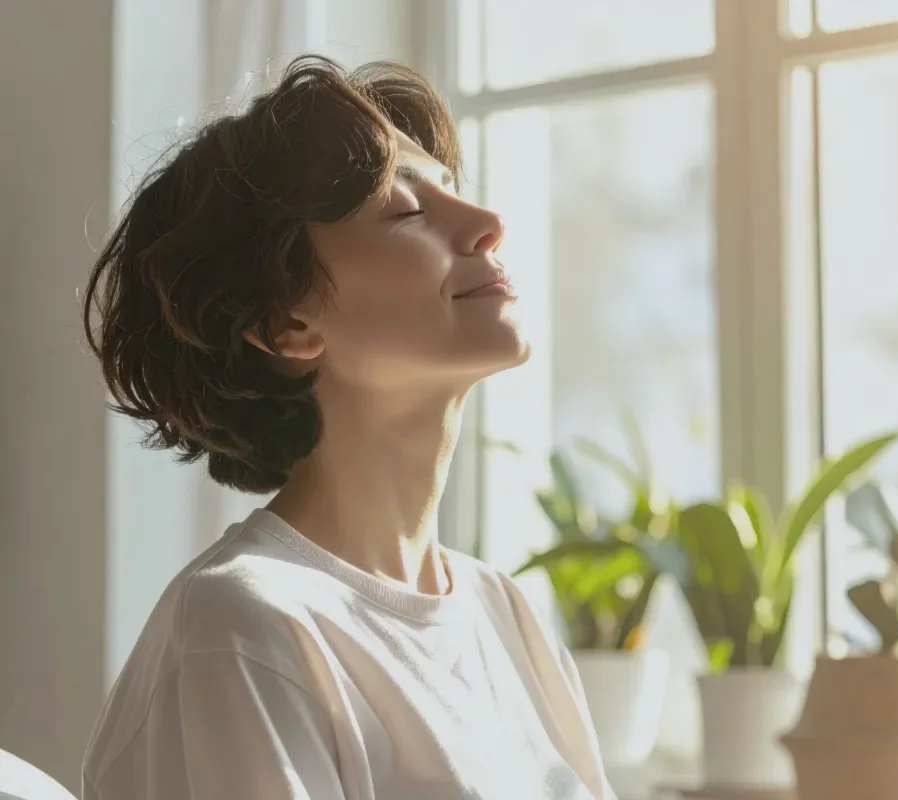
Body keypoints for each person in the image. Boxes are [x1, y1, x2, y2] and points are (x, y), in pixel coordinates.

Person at [80, 55, 615, 800]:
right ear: (286, 322)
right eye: (405, 211)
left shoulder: (508, 618)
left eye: (453, 192)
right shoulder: (243, 628)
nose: (487, 225)